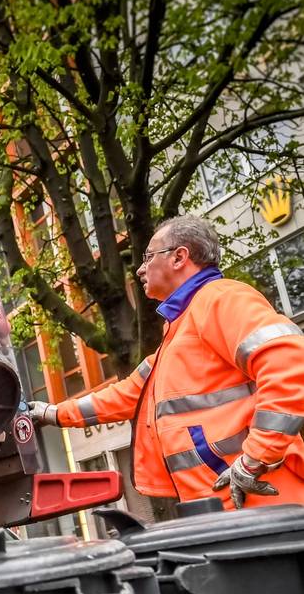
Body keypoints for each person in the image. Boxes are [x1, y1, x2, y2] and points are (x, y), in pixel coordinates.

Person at [29, 215, 304, 510]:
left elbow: (288, 364)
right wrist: (53, 413)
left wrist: (254, 459)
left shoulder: (220, 299)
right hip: (226, 503)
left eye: (148, 257)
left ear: (179, 257)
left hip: (264, 500)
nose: (140, 268)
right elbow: (125, 395)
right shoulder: (176, 337)